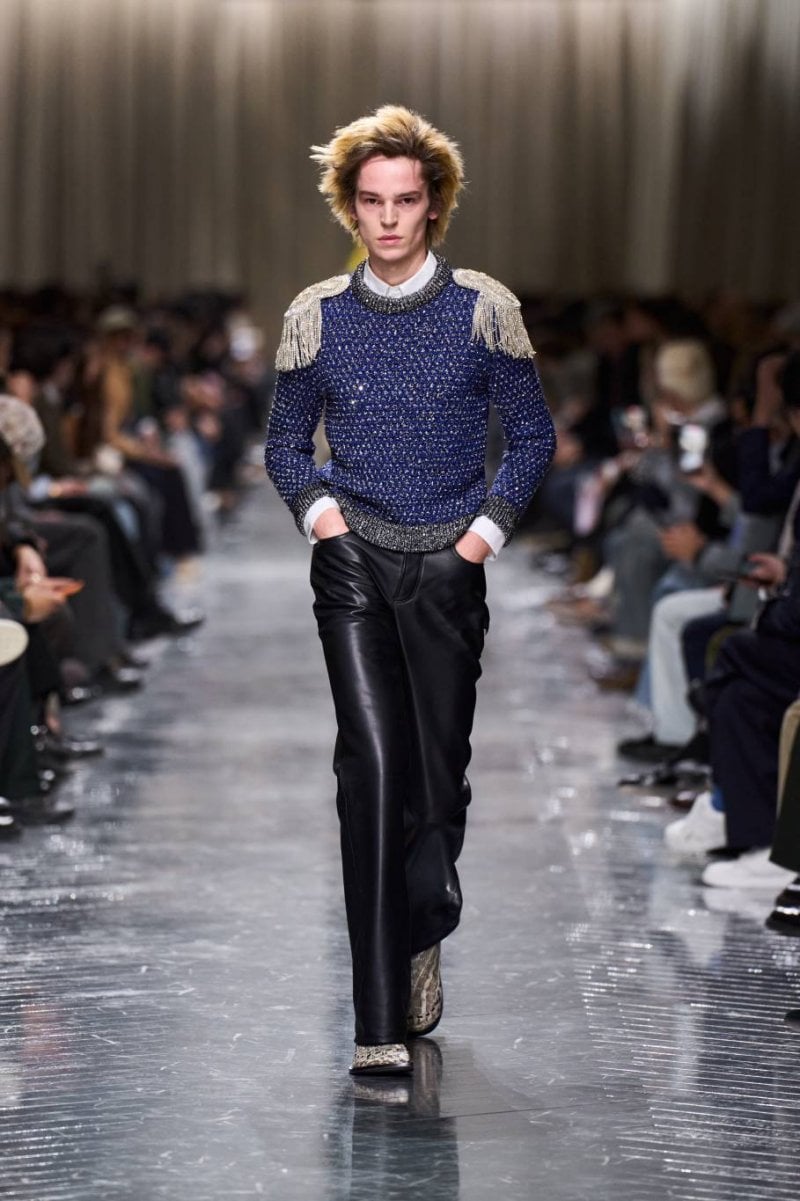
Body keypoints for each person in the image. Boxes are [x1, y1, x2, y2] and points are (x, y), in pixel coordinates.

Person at [265, 106, 556, 1076]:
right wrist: (322, 518)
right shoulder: (317, 316)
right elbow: (283, 443)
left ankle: (422, 923)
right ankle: (377, 1019)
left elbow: (533, 434)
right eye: (371, 201)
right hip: (351, 562)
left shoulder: (481, 309)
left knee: (435, 783)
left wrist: (480, 538)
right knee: (371, 771)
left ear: (434, 205)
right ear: (348, 207)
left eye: (405, 200)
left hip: (446, 569)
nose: (387, 218)